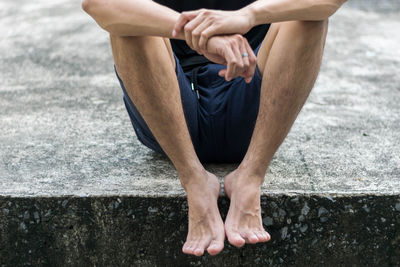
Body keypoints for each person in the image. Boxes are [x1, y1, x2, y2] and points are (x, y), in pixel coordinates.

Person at [82, 0, 346, 256]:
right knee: (129, 25)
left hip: (255, 110)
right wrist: (198, 34)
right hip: (169, 113)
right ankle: (195, 180)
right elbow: (99, 3)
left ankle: (250, 177)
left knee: (309, 16)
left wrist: (249, 14)